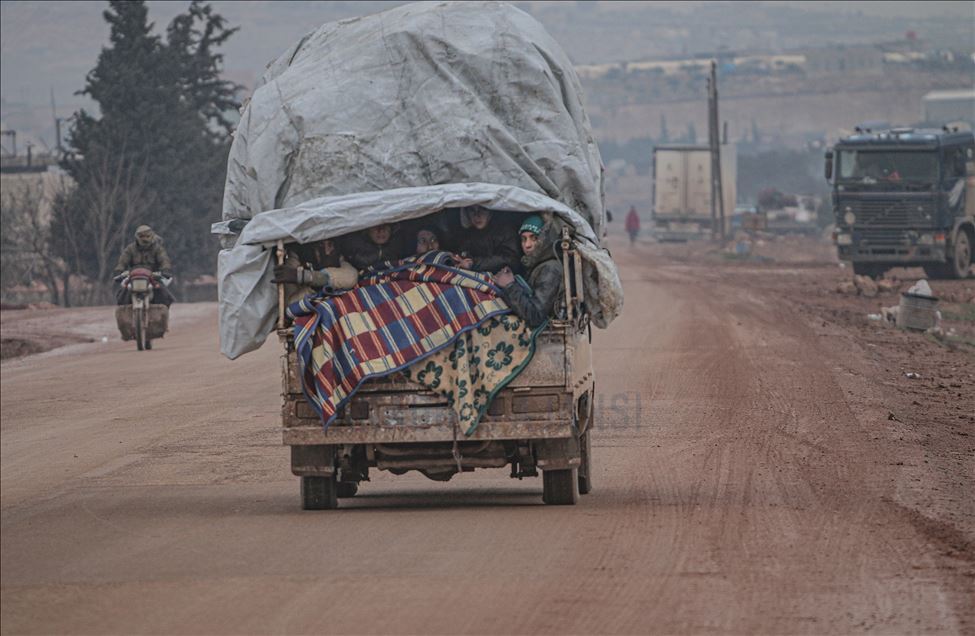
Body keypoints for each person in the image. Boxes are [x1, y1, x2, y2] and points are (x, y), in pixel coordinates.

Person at [494, 215, 563, 328]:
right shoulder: (533, 265)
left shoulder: (550, 269)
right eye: (523, 239)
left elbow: (535, 315)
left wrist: (510, 286)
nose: (527, 245)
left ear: (545, 240)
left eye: (534, 238)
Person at [272, 239, 358, 302]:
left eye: (330, 244)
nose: (327, 252)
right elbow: (290, 303)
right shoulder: (295, 261)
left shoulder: (339, 258)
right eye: (321, 245)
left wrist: (311, 278)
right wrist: (312, 288)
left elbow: (351, 277)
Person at [114, 224, 174, 306]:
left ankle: (162, 312)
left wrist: (165, 269)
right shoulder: (130, 249)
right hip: (134, 275)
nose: (144, 238)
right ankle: (123, 310)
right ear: (137, 237)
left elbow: (164, 259)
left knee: (163, 293)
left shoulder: (158, 249)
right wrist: (119, 270)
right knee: (123, 293)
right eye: (141, 236)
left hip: (153, 276)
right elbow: (123, 259)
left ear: (152, 236)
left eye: (147, 236)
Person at [454, 206, 521, 274]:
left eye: (483, 209)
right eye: (472, 210)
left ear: (491, 212)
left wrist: (473, 263)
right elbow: (463, 253)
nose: (477, 215)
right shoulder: (468, 233)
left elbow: (510, 260)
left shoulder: (505, 231)